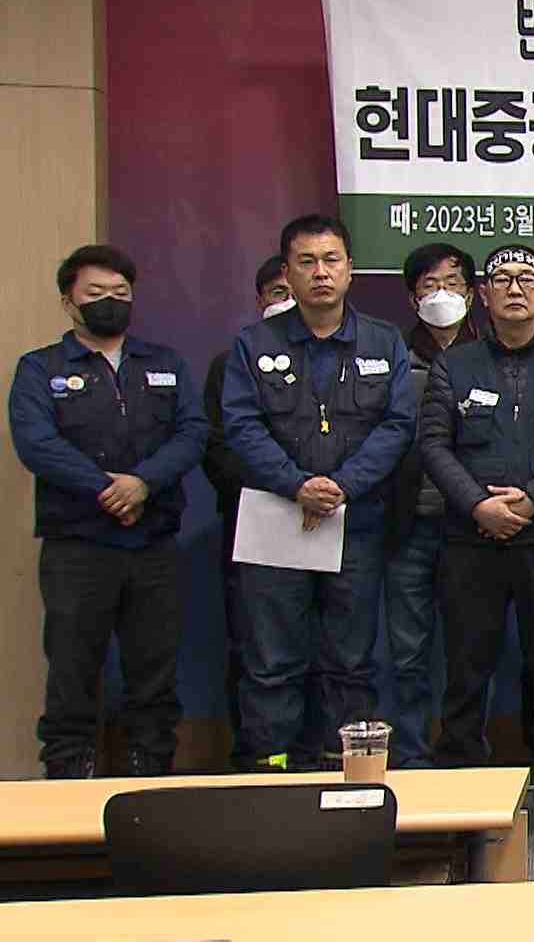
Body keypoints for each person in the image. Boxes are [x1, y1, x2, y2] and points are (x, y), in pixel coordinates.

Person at [418, 244, 534, 841]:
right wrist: (479, 505)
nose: (515, 289)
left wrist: (530, 501)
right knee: (466, 677)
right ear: (483, 294)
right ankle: (460, 803)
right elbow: (432, 446)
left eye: (527, 279)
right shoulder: (454, 366)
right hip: (470, 540)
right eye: (502, 279)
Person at [224, 215, 414, 771]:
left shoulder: (384, 341)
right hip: (276, 518)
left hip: (353, 521)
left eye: (331, 260)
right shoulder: (253, 343)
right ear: (287, 273)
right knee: (270, 661)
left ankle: (346, 774)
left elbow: (399, 424)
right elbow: (240, 424)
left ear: (350, 269)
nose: (321, 273)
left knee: (351, 661)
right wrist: (296, 484)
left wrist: (341, 487)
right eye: (306, 262)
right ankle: (271, 773)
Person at [9, 245, 207, 778]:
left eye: (120, 292)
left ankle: (150, 775)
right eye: (96, 293)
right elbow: (36, 443)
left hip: (153, 543)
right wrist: (106, 490)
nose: (110, 301)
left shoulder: (163, 363)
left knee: (154, 672)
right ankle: (68, 779)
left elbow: (193, 432)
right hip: (78, 546)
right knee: (72, 670)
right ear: (68, 302)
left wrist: (143, 484)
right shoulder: (41, 368)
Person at [380, 242, 479, 768]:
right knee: (407, 653)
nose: (442, 295)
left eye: (453, 284)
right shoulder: (392, 358)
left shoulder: (491, 354)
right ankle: (412, 759)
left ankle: (467, 760)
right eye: (430, 286)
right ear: (412, 297)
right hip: (410, 523)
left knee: (473, 653)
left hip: (474, 527)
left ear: (472, 294)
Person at [203, 254, 295, 768]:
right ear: (259, 300)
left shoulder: (341, 359)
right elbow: (219, 447)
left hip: (328, 515)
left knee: (332, 652)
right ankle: (257, 760)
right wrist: (284, 488)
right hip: (255, 518)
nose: (287, 300)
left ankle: (313, 759)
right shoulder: (233, 362)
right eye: (277, 292)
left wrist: (319, 490)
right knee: (257, 650)